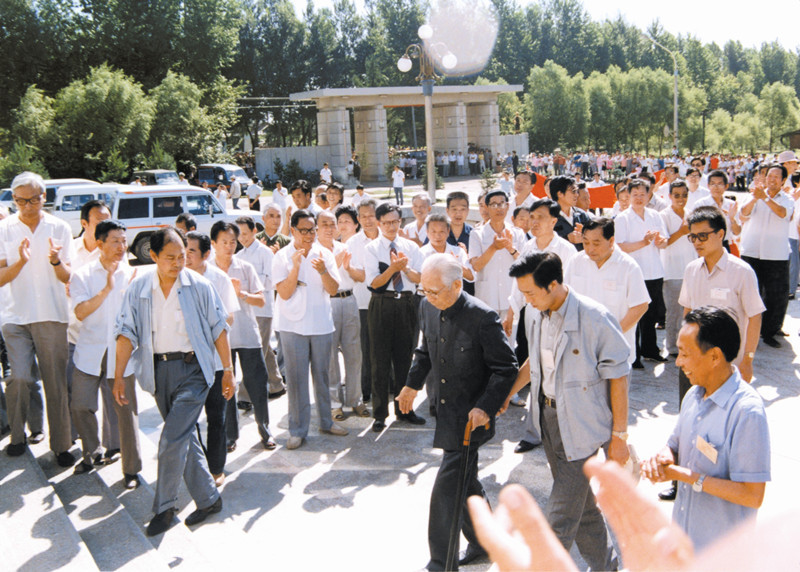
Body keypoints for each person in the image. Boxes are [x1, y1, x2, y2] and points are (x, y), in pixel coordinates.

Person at [502, 252, 630, 571]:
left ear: (553, 285)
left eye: (531, 293)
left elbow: (619, 376)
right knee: (582, 509)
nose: (527, 300)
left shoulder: (594, 317)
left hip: (582, 428)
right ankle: (608, 567)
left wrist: (619, 437)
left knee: (557, 521)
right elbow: (534, 361)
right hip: (549, 420)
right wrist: (508, 393)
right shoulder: (538, 313)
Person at [397, 254, 517, 571]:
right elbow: (425, 350)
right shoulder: (428, 307)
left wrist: (485, 407)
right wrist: (411, 385)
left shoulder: (483, 317)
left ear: (457, 285)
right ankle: (486, 542)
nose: (429, 297)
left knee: (446, 492)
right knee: (466, 483)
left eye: (435, 291)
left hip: (471, 420)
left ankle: (441, 564)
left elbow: (506, 368)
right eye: (424, 291)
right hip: (445, 412)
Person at [113, 227, 234, 536]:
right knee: (184, 437)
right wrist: (119, 376)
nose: (178, 263)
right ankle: (209, 499)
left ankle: (165, 507)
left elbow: (219, 328)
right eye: (170, 257)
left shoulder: (200, 286)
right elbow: (126, 333)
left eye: (182, 256)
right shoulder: (139, 288)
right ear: (153, 256)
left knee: (170, 439)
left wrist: (228, 369)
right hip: (159, 373)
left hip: (195, 372)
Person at [642, 307, 770, 551]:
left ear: (714, 357)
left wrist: (685, 476)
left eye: (685, 354)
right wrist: (664, 458)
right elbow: (674, 444)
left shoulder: (746, 412)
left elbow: (752, 495)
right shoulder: (693, 394)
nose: (678, 362)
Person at [0, 172, 75, 465]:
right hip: (14, 315)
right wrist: (21, 261)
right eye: (20, 201)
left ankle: (61, 445)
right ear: (14, 200)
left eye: (32, 200)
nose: (27, 206)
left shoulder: (60, 228)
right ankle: (18, 436)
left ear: (44, 197)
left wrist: (55, 261)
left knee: (55, 382)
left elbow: (69, 277)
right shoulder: (5, 228)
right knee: (18, 377)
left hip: (51, 314)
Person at [69, 220, 142, 487]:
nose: (122, 247)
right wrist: (107, 289)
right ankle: (92, 452)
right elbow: (80, 312)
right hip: (89, 350)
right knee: (80, 405)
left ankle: (131, 470)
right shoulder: (83, 275)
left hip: (121, 352)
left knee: (125, 411)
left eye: (124, 241)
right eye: (115, 241)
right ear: (100, 244)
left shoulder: (133, 275)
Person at [272, 210, 348, 449]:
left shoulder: (325, 254)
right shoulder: (282, 256)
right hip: (292, 324)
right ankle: (297, 430)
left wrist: (324, 270)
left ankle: (326, 421)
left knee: (323, 375)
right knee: (296, 379)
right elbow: (284, 293)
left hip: (320, 322)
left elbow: (333, 290)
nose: (308, 235)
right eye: (303, 230)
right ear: (293, 230)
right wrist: (295, 268)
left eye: (312, 230)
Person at [208, 221, 275, 452]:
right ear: (213, 244)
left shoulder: (245, 267)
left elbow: (261, 300)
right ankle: (230, 435)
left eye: (232, 242)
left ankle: (265, 429)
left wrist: (241, 294)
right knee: (227, 387)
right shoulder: (207, 271)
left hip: (247, 335)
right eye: (224, 242)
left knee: (258, 385)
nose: (229, 247)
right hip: (221, 338)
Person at [184, 230, 239, 487]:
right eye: (183, 250)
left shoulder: (219, 279)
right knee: (188, 419)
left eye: (191, 251)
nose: (185, 256)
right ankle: (197, 466)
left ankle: (216, 468)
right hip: (186, 361)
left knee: (216, 417)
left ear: (206, 254)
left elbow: (229, 318)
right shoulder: (176, 279)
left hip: (216, 361)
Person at [364, 203, 424, 432]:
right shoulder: (372, 249)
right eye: (387, 222)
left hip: (407, 303)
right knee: (379, 360)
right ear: (379, 223)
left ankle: (405, 410)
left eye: (395, 222)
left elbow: (419, 278)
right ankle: (379, 414)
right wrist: (392, 268)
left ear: (401, 222)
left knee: (405, 359)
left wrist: (404, 269)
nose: (391, 226)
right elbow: (373, 283)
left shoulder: (411, 247)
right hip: (382, 303)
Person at [565, 217, 649, 374]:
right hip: (581, 348)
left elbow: (640, 305)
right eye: (586, 243)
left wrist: (613, 335)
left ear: (611, 241)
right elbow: (566, 298)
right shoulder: (576, 261)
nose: (590, 249)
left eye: (596, 243)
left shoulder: (628, 266)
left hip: (615, 350)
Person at [316, 210, 368, 420]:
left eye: (333, 224)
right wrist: (334, 264)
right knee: (330, 357)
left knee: (354, 353)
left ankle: (355, 399)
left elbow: (360, 277)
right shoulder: (314, 251)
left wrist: (348, 267)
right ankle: (334, 403)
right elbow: (317, 282)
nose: (330, 229)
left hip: (349, 299)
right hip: (327, 302)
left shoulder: (344, 248)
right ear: (316, 227)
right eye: (325, 224)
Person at [739, 163, 794, 347]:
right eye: (769, 176)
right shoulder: (753, 195)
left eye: (776, 177)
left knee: (776, 295)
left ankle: (770, 331)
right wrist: (756, 199)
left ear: (783, 180)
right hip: (751, 251)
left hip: (775, 254)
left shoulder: (787, 199)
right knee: (750, 293)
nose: (772, 180)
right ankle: (748, 329)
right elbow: (743, 213)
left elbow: (782, 213)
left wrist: (765, 198)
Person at [615, 178, 668, 365]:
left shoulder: (655, 215)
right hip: (634, 273)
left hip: (654, 271)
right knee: (634, 315)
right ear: (629, 196)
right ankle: (634, 355)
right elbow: (620, 246)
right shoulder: (622, 218)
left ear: (648, 195)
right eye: (635, 194)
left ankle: (650, 349)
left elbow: (664, 241)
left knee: (651, 314)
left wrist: (661, 242)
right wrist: (643, 243)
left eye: (642, 194)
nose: (639, 198)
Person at [235, 216, 284, 400]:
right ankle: (277, 384)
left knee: (256, 352)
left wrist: (251, 283)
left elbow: (273, 281)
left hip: (263, 310)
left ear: (254, 231)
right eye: (239, 235)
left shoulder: (265, 253)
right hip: (246, 310)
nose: (242, 238)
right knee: (265, 349)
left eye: (245, 234)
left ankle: (245, 396)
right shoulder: (238, 256)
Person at [468, 190, 524, 315]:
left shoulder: (517, 233)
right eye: (493, 204)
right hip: (487, 297)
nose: (498, 208)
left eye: (502, 204)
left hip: (510, 297)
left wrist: (511, 249)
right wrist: (493, 248)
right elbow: (476, 266)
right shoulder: (477, 234)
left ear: (507, 206)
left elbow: (525, 265)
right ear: (487, 207)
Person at [660, 180, 697, 357]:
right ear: (670, 196)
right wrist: (681, 231)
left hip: (690, 268)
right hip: (671, 270)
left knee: (689, 311)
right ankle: (672, 346)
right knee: (673, 312)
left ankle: (686, 344)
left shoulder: (691, 214)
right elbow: (664, 242)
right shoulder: (663, 216)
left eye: (684, 195)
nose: (680, 199)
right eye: (676, 195)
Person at [347, 199, 379, 403]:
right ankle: (366, 388)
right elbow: (358, 275)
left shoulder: (388, 238)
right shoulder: (352, 243)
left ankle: (388, 385)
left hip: (387, 302)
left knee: (385, 346)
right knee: (364, 348)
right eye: (363, 216)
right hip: (362, 303)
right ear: (358, 219)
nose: (368, 220)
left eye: (372, 215)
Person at [549, 176, 591, 251]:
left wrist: (586, 235)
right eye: (573, 191)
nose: (576, 195)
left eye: (577, 191)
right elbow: (543, 242)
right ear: (560, 194)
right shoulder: (548, 217)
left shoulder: (582, 215)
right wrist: (567, 238)